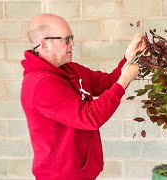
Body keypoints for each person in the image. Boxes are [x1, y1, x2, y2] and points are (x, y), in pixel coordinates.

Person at [20, 14, 146, 180]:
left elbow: (107, 83)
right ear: (45, 44)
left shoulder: (70, 69)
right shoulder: (40, 84)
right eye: (66, 39)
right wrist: (125, 80)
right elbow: (89, 116)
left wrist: (128, 58)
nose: (72, 43)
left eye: (71, 38)